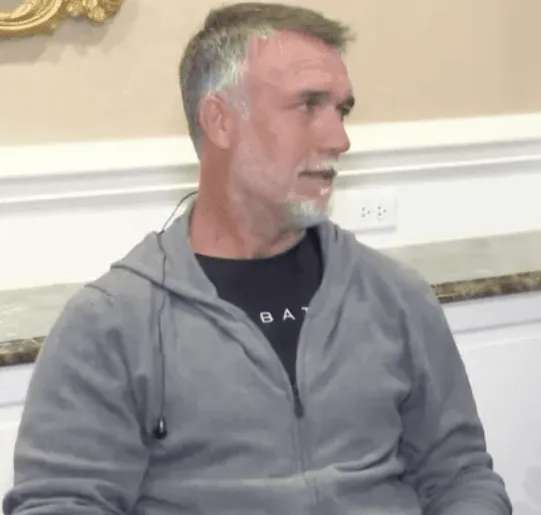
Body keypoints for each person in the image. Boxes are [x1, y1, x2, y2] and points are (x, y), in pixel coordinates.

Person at [2, 3, 511, 515]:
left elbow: (461, 476)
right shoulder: (111, 325)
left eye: (342, 110)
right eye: (308, 105)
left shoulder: (394, 295)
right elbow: (58, 504)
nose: (340, 139)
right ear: (221, 120)